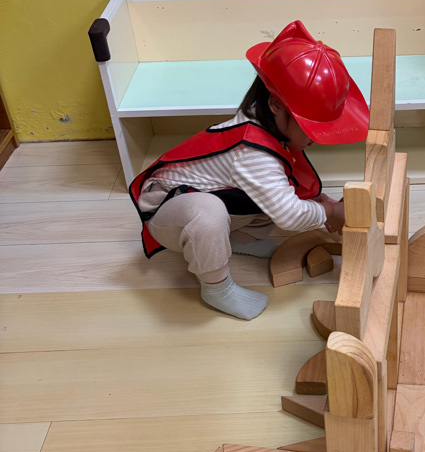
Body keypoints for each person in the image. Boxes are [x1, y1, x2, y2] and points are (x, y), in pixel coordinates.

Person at [129, 21, 369, 319]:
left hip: (208, 194)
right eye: (310, 126)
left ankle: (240, 239)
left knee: (278, 192)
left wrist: (321, 203)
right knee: (209, 212)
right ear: (275, 105)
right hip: (167, 213)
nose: (317, 138)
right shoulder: (252, 155)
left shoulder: (266, 125)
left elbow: (282, 192)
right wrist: (330, 213)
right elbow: (289, 216)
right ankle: (215, 287)